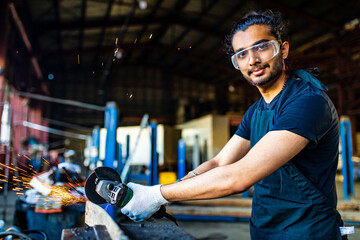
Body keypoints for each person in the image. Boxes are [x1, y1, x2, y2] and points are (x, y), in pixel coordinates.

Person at [120, 10, 346, 239]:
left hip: (308, 233)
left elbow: (240, 176)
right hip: (264, 230)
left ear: (283, 49)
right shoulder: (254, 112)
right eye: (241, 54)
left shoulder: (307, 102)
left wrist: (158, 195)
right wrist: (171, 189)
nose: (252, 60)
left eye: (262, 47)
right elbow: (219, 162)